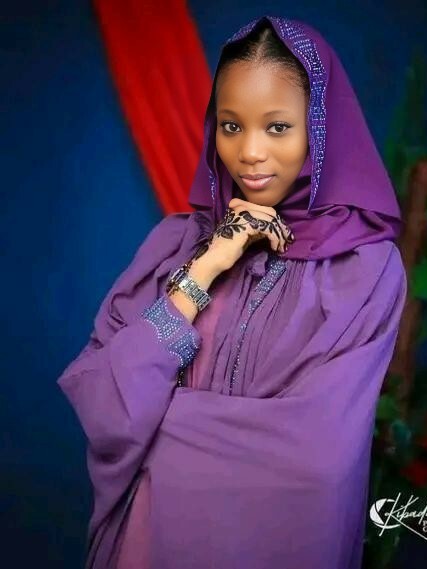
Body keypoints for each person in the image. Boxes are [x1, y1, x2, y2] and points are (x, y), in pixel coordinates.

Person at [57, 15, 407, 569]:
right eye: (230, 126)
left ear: (320, 129)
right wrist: (206, 269)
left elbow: (314, 461)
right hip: (144, 547)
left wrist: (157, 427)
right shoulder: (174, 246)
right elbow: (104, 406)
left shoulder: (363, 271)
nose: (249, 152)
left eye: (277, 127)